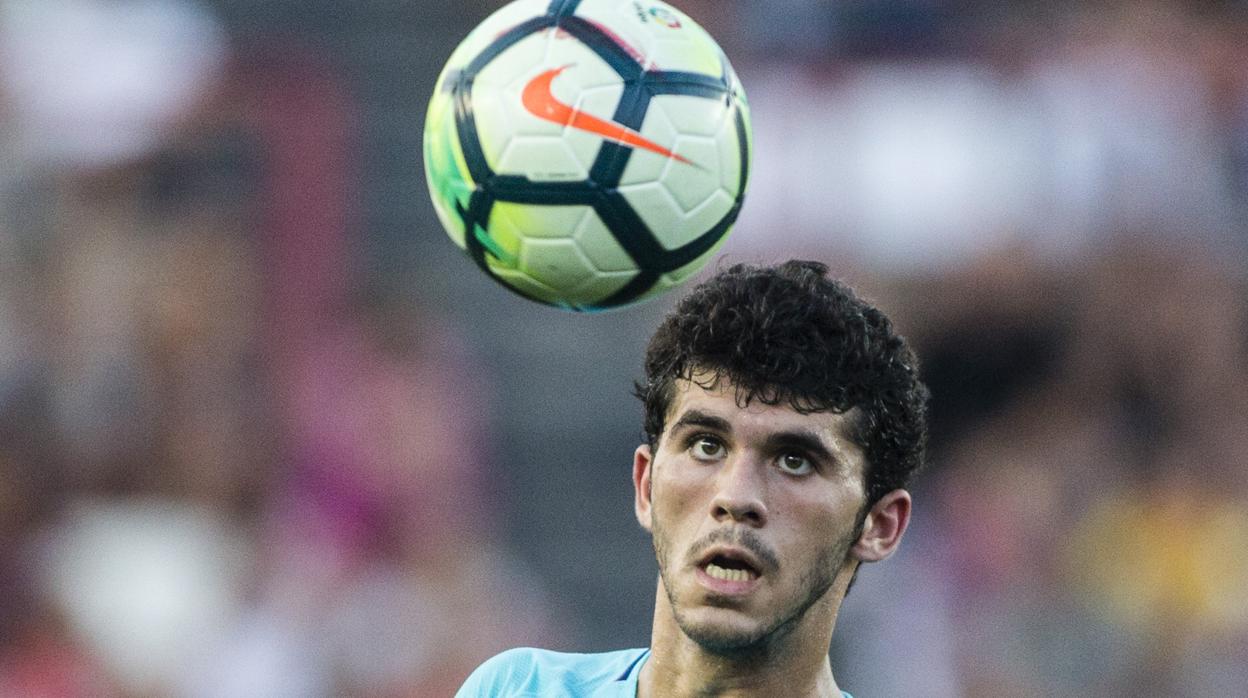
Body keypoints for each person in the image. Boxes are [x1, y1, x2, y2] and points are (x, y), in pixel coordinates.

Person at [457, 260, 930, 697]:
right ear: (644, 485)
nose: (736, 496)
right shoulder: (516, 690)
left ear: (880, 525)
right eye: (707, 445)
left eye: (794, 460)